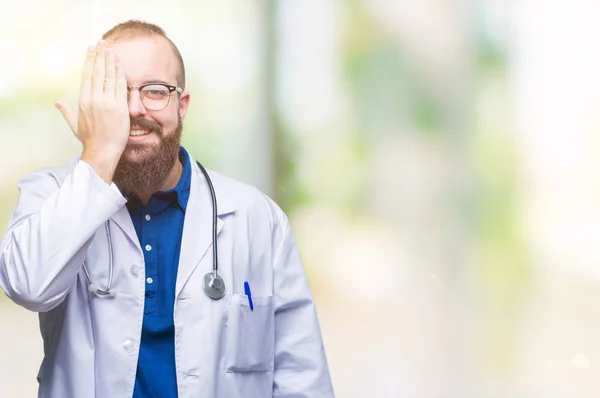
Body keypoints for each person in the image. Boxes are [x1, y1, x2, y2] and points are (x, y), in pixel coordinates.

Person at [0, 20, 334, 398]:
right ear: (93, 104)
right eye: (115, 92)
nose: (134, 108)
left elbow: (302, 379)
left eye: (155, 91)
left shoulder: (256, 217)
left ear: (182, 104)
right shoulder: (51, 194)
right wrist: (97, 157)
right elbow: (29, 287)